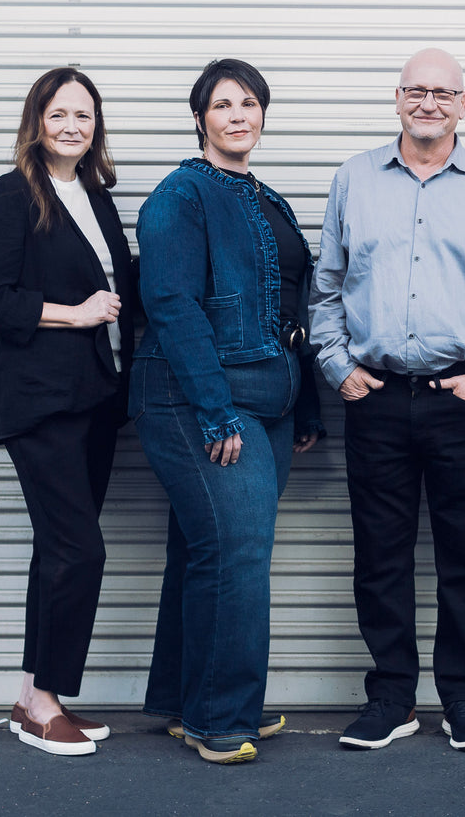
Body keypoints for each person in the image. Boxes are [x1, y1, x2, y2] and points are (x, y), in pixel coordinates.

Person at [309, 48, 465, 753]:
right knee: (379, 557)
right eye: (416, 90)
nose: (428, 103)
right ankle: (391, 698)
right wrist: (337, 366)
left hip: (462, 401)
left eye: (443, 92)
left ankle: (462, 699)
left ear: (463, 104)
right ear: (398, 97)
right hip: (375, 399)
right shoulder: (353, 180)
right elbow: (326, 289)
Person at [132, 58, 324, 765]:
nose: (238, 115)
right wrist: (216, 412)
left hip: (270, 400)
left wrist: (305, 404)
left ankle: (190, 702)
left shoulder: (267, 198)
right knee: (237, 551)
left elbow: (290, 312)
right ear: (200, 118)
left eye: (249, 103)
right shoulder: (180, 195)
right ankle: (220, 719)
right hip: (198, 399)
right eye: (222, 104)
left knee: (204, 549)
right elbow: (172, 305)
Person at [0, 67, 135, 757]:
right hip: (38, 402)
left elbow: (122, 290)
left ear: (97, 128)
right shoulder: (9, 196)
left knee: (58, 550)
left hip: (95, 400)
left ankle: (33, 694)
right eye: (59, 113)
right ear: (36, 121)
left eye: (84, 115)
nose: (72, 126)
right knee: (79, 549)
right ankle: (43, 703)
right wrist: (75, 313)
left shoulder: (95, 198)